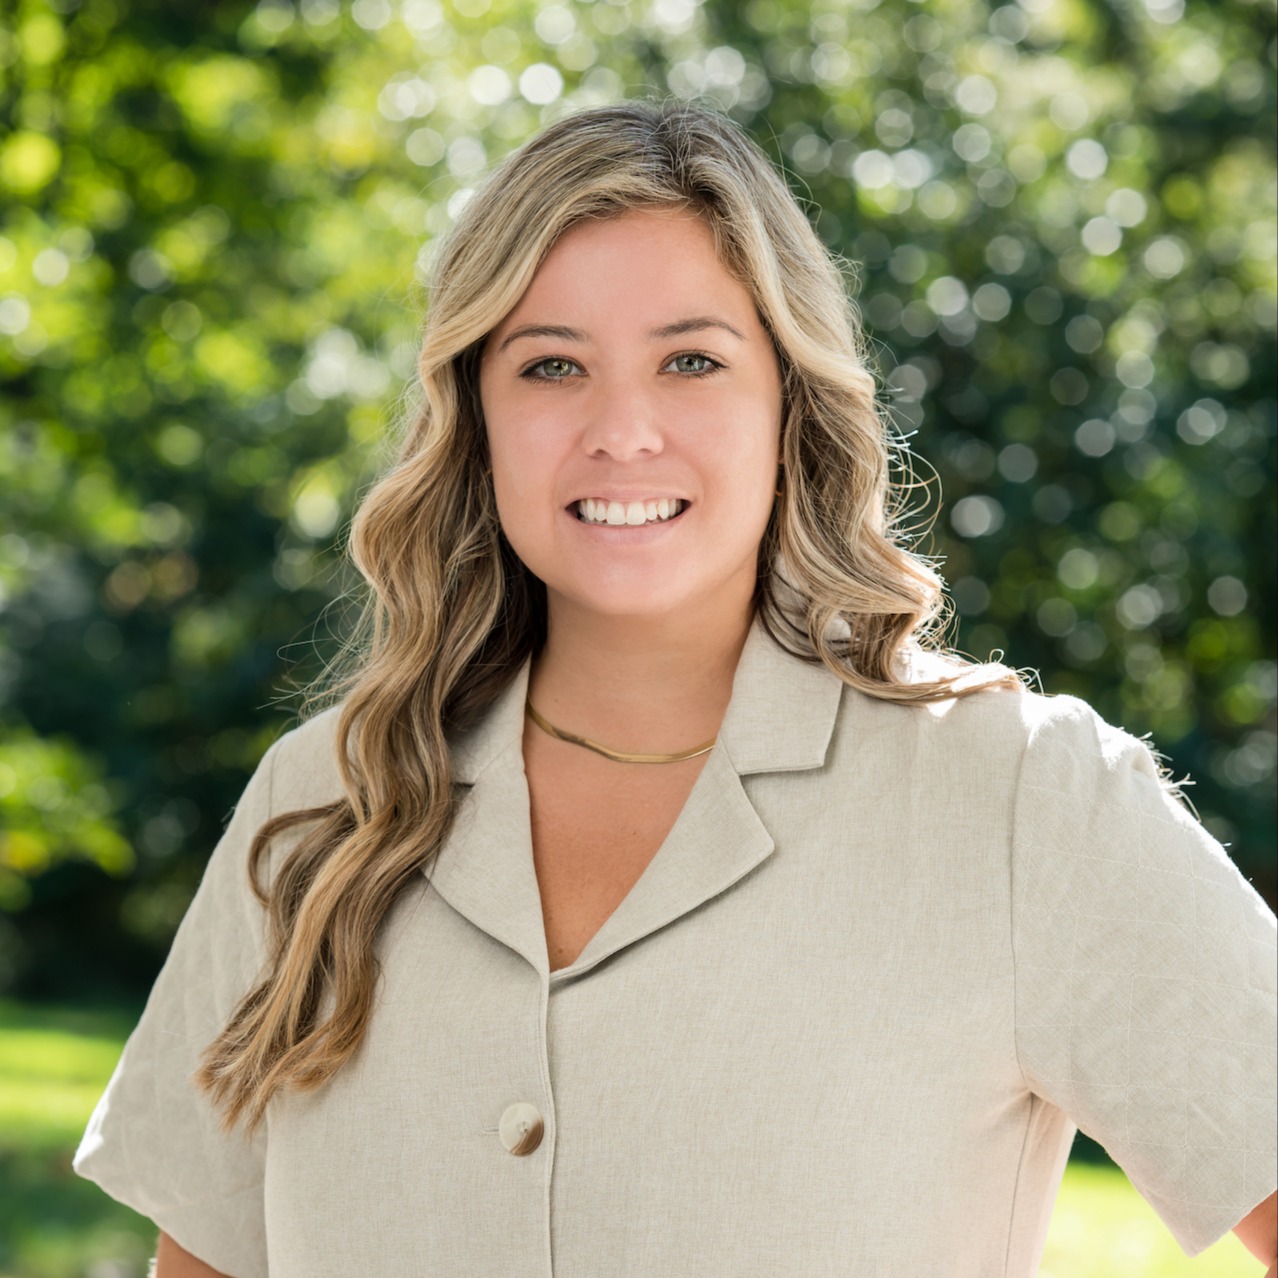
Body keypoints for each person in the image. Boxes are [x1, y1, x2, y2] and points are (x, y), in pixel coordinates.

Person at [74, 100, 1276, 1278]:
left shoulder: (1020, 798)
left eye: (692, 359)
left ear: (790, 404)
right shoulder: (320, 808)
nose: (623, 429)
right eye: (551, 366)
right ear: (476, 415)